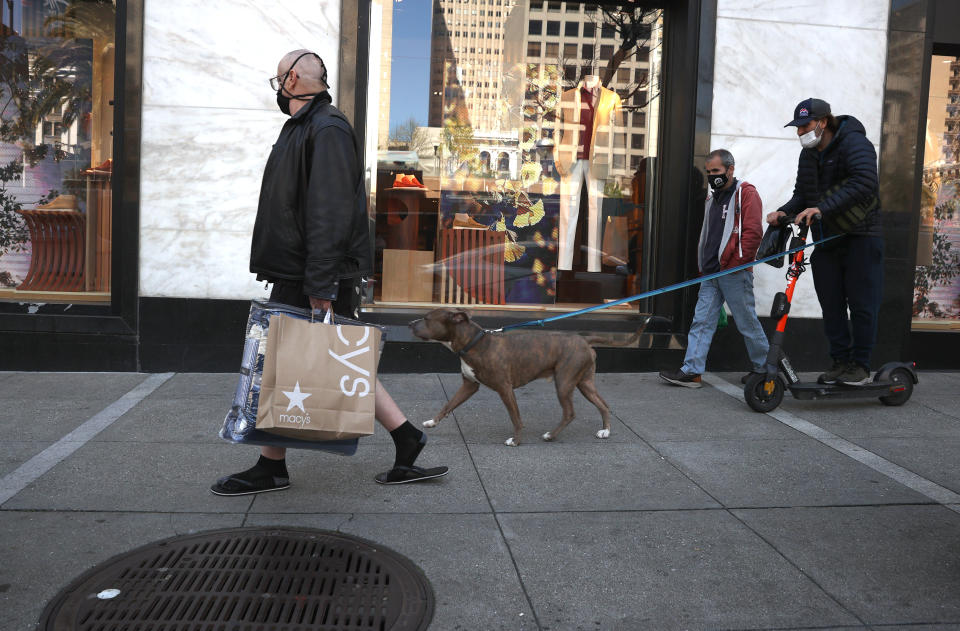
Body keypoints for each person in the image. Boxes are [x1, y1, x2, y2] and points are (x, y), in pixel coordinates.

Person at [211, 50, 448, 496]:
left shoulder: (328, 128)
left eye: (277, 79)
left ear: (293, 78)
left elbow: (331, 212)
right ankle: (406, 438)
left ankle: (271, 467)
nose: (277, 88)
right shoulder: (303, 127)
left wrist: (320, 283)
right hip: (301, 268)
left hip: (312, 272)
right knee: (320, 359)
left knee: (287, 361)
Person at [767, 98, 883, 386]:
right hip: (827, 240)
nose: (800, 132)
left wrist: (822, 208)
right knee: (831, 305)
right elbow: (802, 195)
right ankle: (840, 362)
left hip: (861, 237)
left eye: (805, 125)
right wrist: (784, 211)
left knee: (861, 305)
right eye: (797, 127)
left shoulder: (855, 143)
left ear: (823, 122)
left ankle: (859, 366)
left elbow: (864, 182)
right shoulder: (808, 156)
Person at [660, 149, 768, 388]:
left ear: (731, 169)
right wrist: (704, 267)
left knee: (746, 323)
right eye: (708, 172)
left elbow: (753, 233)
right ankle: (692, 371)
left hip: (733, 273)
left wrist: (736, 265)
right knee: (701, 322)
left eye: (716, 171)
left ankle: (765, 370)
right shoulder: (714, 198)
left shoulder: (745, 193)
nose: (712, 176)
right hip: (711, 274)